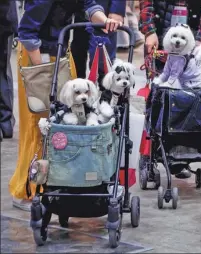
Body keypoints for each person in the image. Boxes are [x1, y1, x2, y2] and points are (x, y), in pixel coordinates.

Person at [10, 0, 121, 211]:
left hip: (59, 52)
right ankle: (29, 189)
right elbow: (27, 31)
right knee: (38, 124)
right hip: (39, 58)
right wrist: (42, 70)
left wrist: (105, 20)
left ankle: (55, 183)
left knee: (58, 121)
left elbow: (89, 5)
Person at [139, 0, 201, 179]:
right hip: (160, 37)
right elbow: (146, 4)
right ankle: (152, 151)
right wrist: (149, 32)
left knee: (194, 99)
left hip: (194, 42)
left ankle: (187, 150)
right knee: (159, 99)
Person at [71, 0, 125, 84]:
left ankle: (106, 91)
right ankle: (78, 86)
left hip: (106, 10)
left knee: (104, 55)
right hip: (79, 10)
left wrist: (117, 10)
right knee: (77, 51)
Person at [0, 0, 17, 139]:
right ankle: (5, 124)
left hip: (4, 20)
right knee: (3, 71)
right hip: (4, 18)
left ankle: (6, 124)